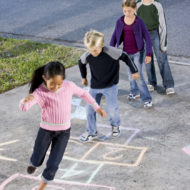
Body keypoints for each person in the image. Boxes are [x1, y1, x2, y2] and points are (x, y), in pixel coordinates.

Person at [19, 61, 106, 190]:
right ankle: (34, 164)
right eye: (52, 84)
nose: (56, 87)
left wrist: (96, 107)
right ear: (44, 78)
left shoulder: (69, 86)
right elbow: (24, 108)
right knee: (37, 158)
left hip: (64, 132)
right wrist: (25, 101)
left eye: (59, 84)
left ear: (63, 80)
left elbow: (83, 94)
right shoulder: (39, 92)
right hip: (46, 131)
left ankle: (41, 186)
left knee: (54, 163)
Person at [78, 30, 139, 143]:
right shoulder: (88, 55)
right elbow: (81, 62)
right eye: (90, 50)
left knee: (111, 108)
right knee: (89, 109)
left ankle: (115, 125)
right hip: (95, 86)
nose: (93, 53)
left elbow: (125, 56)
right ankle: (92, 132)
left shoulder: (111, 52)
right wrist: (84, 77)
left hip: (110, 85)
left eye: (95, 50)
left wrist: (134, 70)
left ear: (102, 44)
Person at [110, 0, 153, 108]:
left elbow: (147, 37)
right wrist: (111, 50)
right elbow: (114, 36)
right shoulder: (120, 21)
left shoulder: (139, 22)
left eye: (130, 11)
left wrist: (149, 54)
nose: (127, 13)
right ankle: (135, 91)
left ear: (135, 9)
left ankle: (147, 99)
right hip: (126, 53)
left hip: (138, 52)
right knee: (130, 75)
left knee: (138, 75)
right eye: (125, 11)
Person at [136, 0, 175, 95]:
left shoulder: (157, 5)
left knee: (162, 59)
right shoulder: (138, 5)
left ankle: (168, 84)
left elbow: (162, 25)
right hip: (143, 35)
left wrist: (163, 44)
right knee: (147, 60)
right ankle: (151, 82)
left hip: (155, 34)